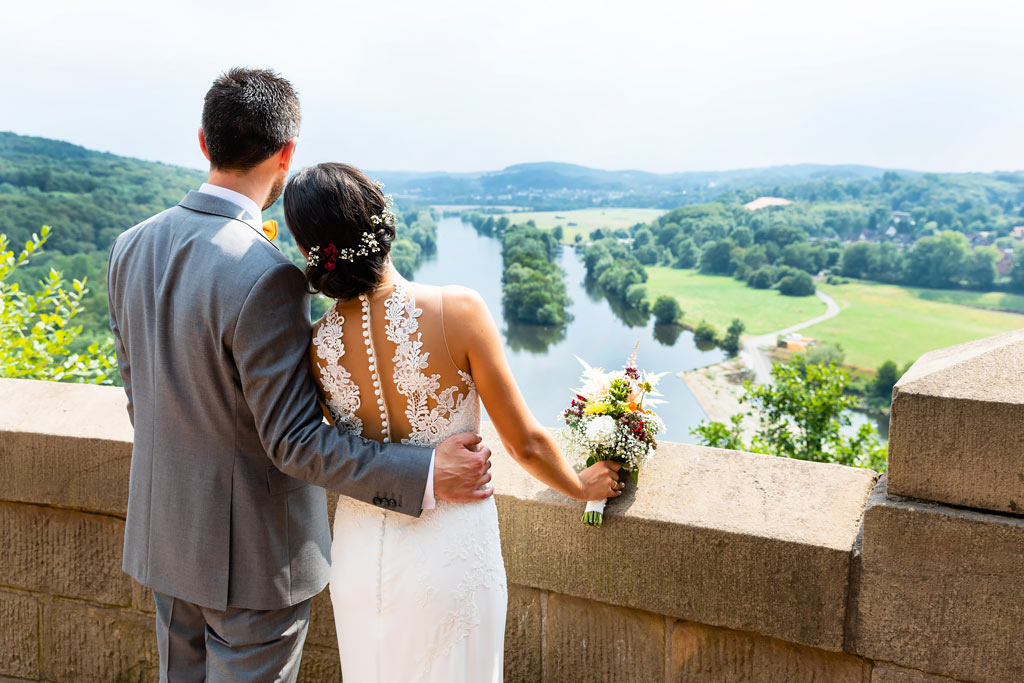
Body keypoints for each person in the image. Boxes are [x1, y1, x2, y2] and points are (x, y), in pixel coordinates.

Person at [106, 68, 490, 682]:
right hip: (252, 561)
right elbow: (293, 441)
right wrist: (424, 471)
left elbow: (139, 396)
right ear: (286, 155)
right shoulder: (267, 274)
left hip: (165, 538)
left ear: (204, 142)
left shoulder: (130, 245)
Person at [282, 162, 623, 682]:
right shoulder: (457, 309)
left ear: (311, 251)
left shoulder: (317, 344)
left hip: (356, 556)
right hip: (449, 550)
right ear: (383, 221)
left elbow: (342, 446)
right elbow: (525, 444)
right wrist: (581, 484)